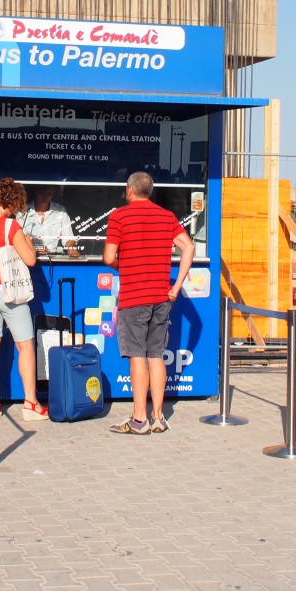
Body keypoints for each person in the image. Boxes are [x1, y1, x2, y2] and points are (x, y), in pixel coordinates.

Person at [103, 171, 194, 435]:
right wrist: (177, 285)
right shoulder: (167, 216)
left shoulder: (119, 216)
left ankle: (139, 419)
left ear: (130, 190)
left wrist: (124, 265)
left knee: (137, 357)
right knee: (156, 356)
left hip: (134, 297)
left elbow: (108, 257)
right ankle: (158, 417)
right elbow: (188, 247)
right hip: (161, 297)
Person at [0, 177, 48, 422]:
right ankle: (31, 404)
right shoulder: (10, 226)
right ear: (13, 201)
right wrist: (29, 243)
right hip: (9, 294)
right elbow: (30, 260)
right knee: (25, 346)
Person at [20, 185, 79, 257]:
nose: (46, 196)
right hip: (30, 256)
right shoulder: (23, 212)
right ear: (36, 191)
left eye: (49, 193)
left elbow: (68, 238)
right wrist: (35, 249)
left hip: (56, 257)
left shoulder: (60, 211)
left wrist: (72, 248)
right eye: (42, 192)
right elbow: (19, 240)